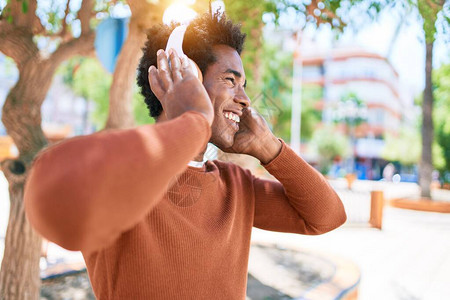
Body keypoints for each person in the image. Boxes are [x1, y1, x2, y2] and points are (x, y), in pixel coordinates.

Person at [24, 12, 346, 299]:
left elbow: (327, 217)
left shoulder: (236, 185)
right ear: (178, 75)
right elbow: (47, 192)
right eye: (230, 80)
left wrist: (269, 148)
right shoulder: (123, 171)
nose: (246, 99)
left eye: (244, 84)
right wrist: (195, 119)